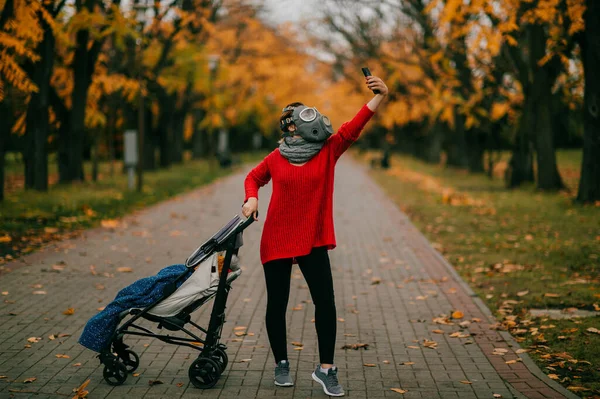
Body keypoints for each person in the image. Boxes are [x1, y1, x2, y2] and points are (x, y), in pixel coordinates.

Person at [242, 75, 388, 397]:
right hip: (278, 238)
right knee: (277, 304)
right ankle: (281, 362)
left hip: (312, 239)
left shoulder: (328, 151)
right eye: (299, 115)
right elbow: (253, 177)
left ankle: (326, 370)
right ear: (290, 127)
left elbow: (352, 127)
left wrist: (379, 97)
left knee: (325, 302)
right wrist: (251, 197)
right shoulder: (276, 157)